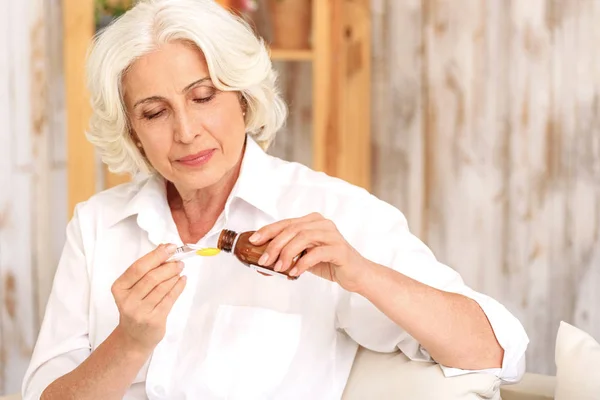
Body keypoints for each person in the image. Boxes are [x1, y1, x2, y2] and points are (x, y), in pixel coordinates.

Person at [22, 0, 529, 399]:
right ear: (133, 133)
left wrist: (361, 273)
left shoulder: (332, 213)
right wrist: (128, 344)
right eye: (155, 112)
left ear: (242, 98)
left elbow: (495, 353)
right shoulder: (96, 227)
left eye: (203, 98)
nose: (187, 131)